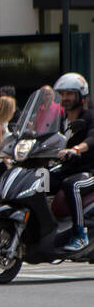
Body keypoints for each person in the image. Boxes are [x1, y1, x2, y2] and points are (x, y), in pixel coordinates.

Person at [53, 73, 94, 252]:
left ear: (80, 96)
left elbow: (92, 139)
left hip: (89, 171)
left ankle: (80, 234)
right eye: (62, 94)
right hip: (66, 169)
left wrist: (77, 149)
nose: (65, 98)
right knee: (39, 182)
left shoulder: (89, 116)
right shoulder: (60, 121)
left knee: (72, 185)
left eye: (69, 94)